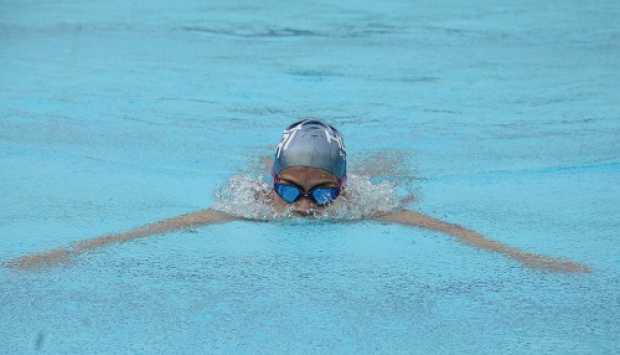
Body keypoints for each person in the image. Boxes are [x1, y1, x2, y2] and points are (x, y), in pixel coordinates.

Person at [6, 119, 590, 273]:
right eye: (288, 189)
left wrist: (528, 257)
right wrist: (70, 250)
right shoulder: (253, 204)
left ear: (345, 186)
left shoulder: (370, 199)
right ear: (269, 183)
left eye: (321, 193)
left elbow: (450, 231)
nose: (304, 208)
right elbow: (163, 226)